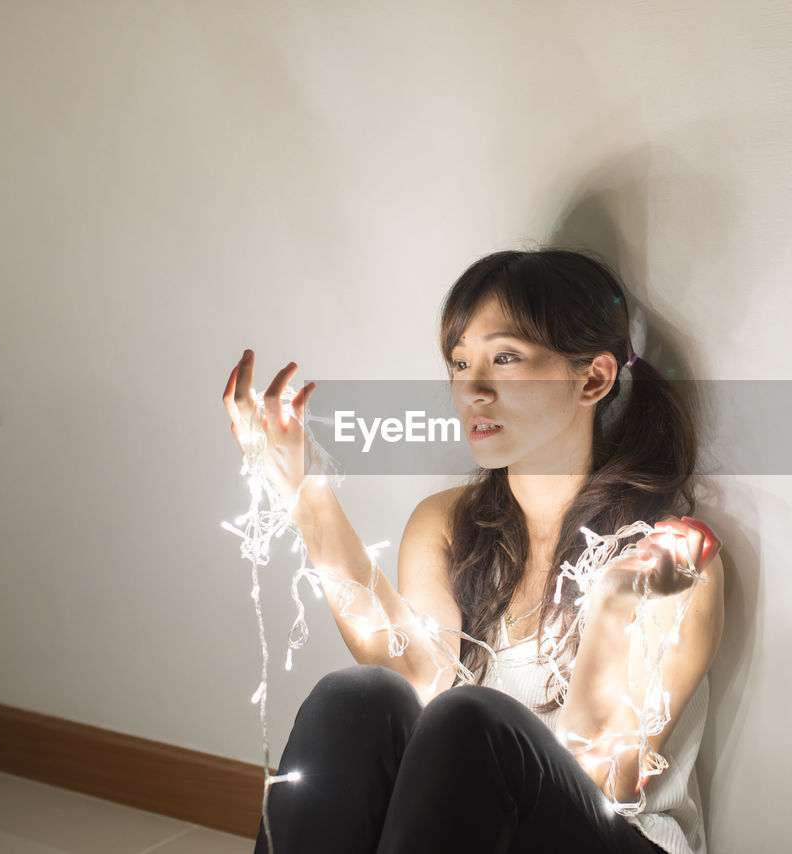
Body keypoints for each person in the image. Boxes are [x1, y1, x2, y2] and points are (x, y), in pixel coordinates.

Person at [223, 248, 724, 854]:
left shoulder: (667, 555)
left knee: (469, 722)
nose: (473, 390)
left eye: (505, 359)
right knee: (356, 697)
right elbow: (417, 677)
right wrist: (304, 493)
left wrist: (612, 615)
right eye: (460, 365)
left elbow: (602, 779)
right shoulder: (445, 523)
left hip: (606, 838)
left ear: (593, 377)